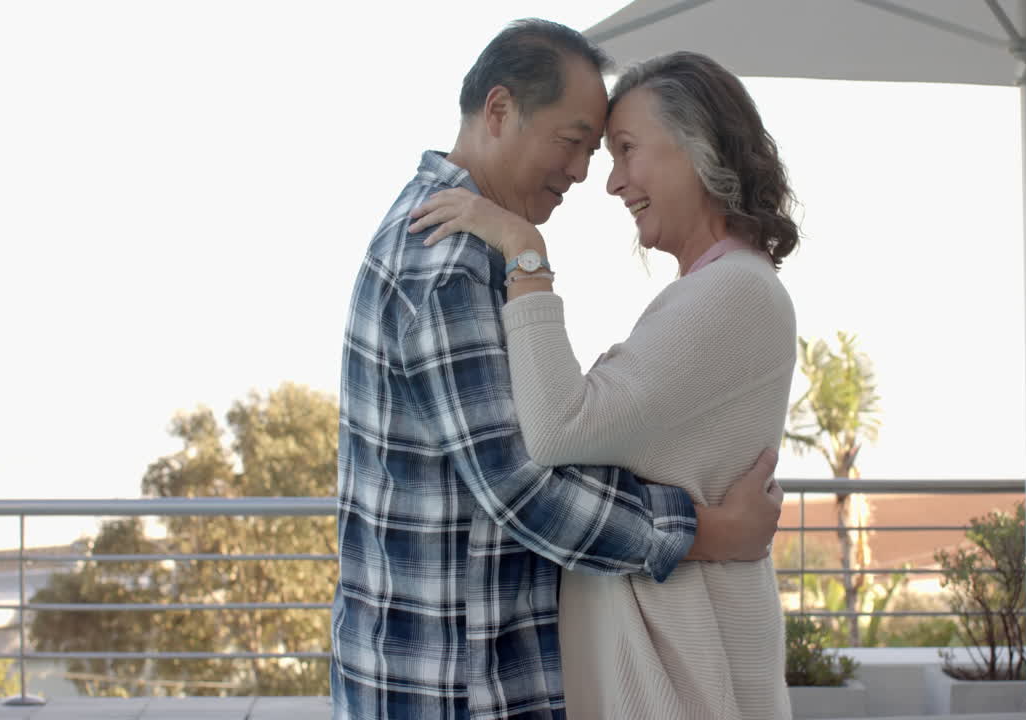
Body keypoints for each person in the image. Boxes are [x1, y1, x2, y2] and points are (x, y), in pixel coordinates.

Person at [332, 21, 785, 720]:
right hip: (456, 682)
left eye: (607, 150)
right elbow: (521, 486)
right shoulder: (448, 261)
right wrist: (707, 533)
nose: (585, 174)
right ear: (500, 111)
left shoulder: (454, 241)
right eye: (576, 143)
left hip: (454, 668)